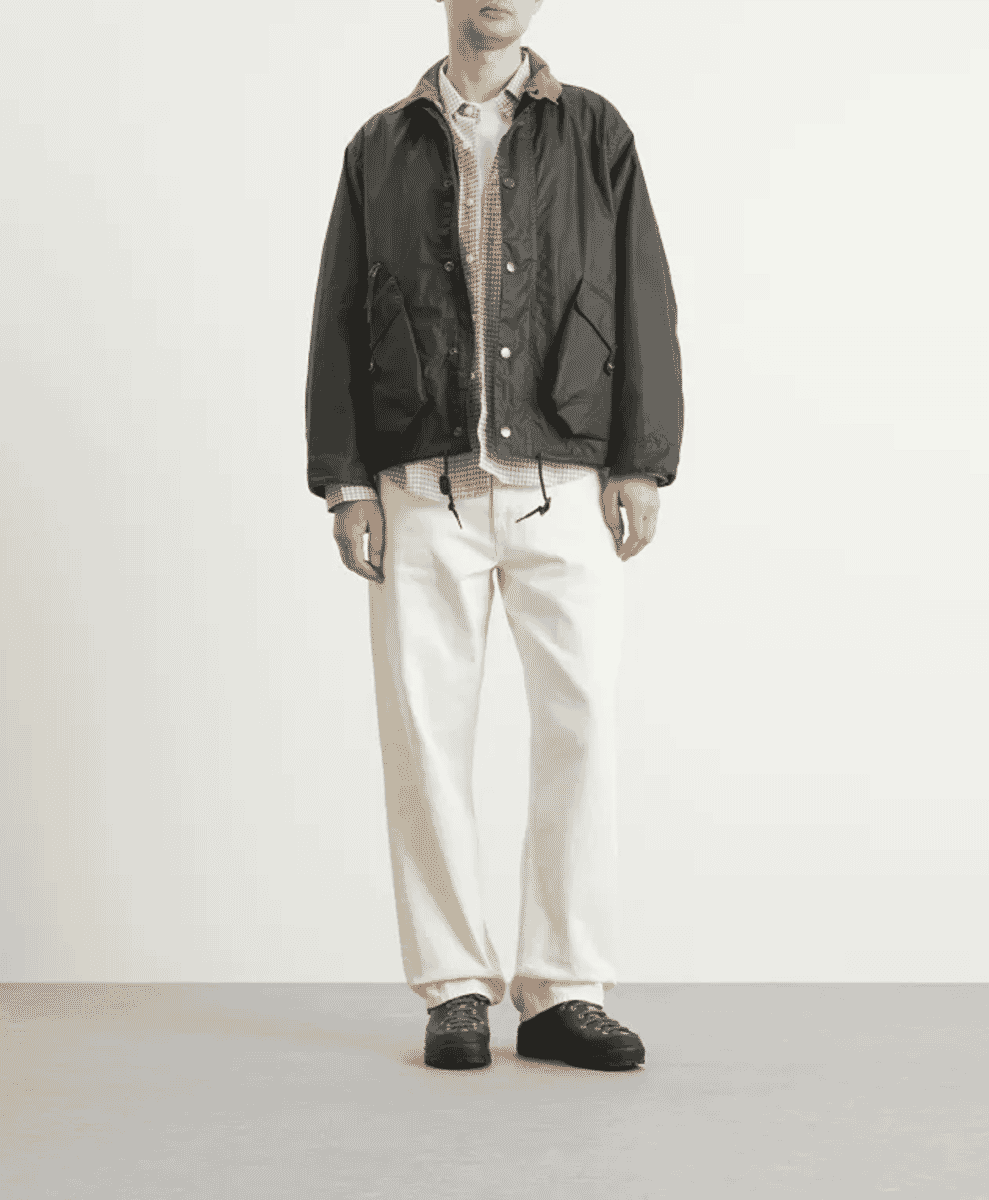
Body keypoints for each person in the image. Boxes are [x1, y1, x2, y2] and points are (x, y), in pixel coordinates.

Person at [305, 0, 683, 1071]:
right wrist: (345, 483)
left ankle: (563, 990)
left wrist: (640, 457)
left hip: (565, 475)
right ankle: (455, 986)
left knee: (580, 728)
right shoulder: (379, 145)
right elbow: (339, 314)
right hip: (418, 485)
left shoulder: (593, 128)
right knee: (424, 739)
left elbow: (642, 292)